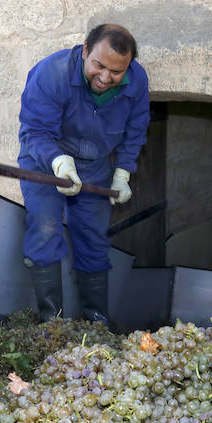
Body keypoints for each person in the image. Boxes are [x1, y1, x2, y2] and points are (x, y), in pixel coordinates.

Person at [17, 24, 150, 326]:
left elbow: (136, 129)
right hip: (45, 165)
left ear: (128, 65)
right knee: (46, 231)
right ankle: (53, 327)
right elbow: (34, 132)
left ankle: (96, 326)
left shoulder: (137, 80)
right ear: (85, 50)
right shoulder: (52, 73)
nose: (105, 78)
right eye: (98, 66)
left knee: (93, 239)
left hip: (95, 167)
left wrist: (122, 173)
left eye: (116, 72)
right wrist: (58, 163)